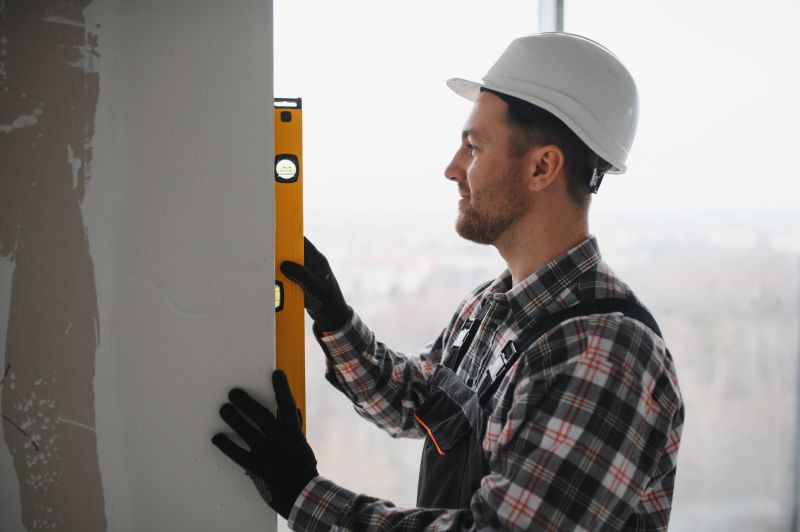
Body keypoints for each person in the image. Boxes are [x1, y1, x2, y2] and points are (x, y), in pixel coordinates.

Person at [212, 32, 684, 531]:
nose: (452, 169)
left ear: (542, 167)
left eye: (474, 147)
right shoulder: (493, 307)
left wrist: (304, 495)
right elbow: (416, 402)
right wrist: (335, 318)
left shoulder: (605, 355)